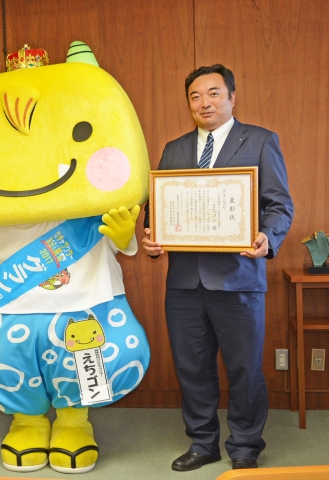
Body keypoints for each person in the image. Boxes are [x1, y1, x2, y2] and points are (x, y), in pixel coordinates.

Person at [142, 65, 293, 471]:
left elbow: (279, 204)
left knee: (244, 368)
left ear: (231, 97)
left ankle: (245, 446)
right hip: (184, 283)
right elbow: (156, 209)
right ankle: (202, 442)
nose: (204, 103)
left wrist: (268, 237)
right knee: (192, 367)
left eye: (213, 93)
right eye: (195, 96)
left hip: (239, 279)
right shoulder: (174, 149)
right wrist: (152, 239)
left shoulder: (260, 141)